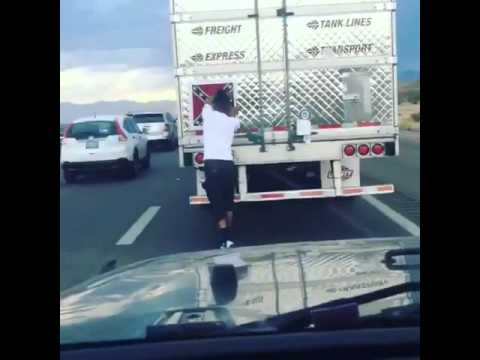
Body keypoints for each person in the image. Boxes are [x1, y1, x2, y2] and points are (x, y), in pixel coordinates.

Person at [202, 89, 240, 249]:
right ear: (228, 107)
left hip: (212, 164)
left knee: (217, 202)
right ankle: (230, 237)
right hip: (227, 164)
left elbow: (207, 102)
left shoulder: (208, 115)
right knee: (228, 202)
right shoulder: (232, 122)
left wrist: (212, 98)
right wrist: (234, 112)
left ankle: (223, 239)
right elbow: (237, 122)